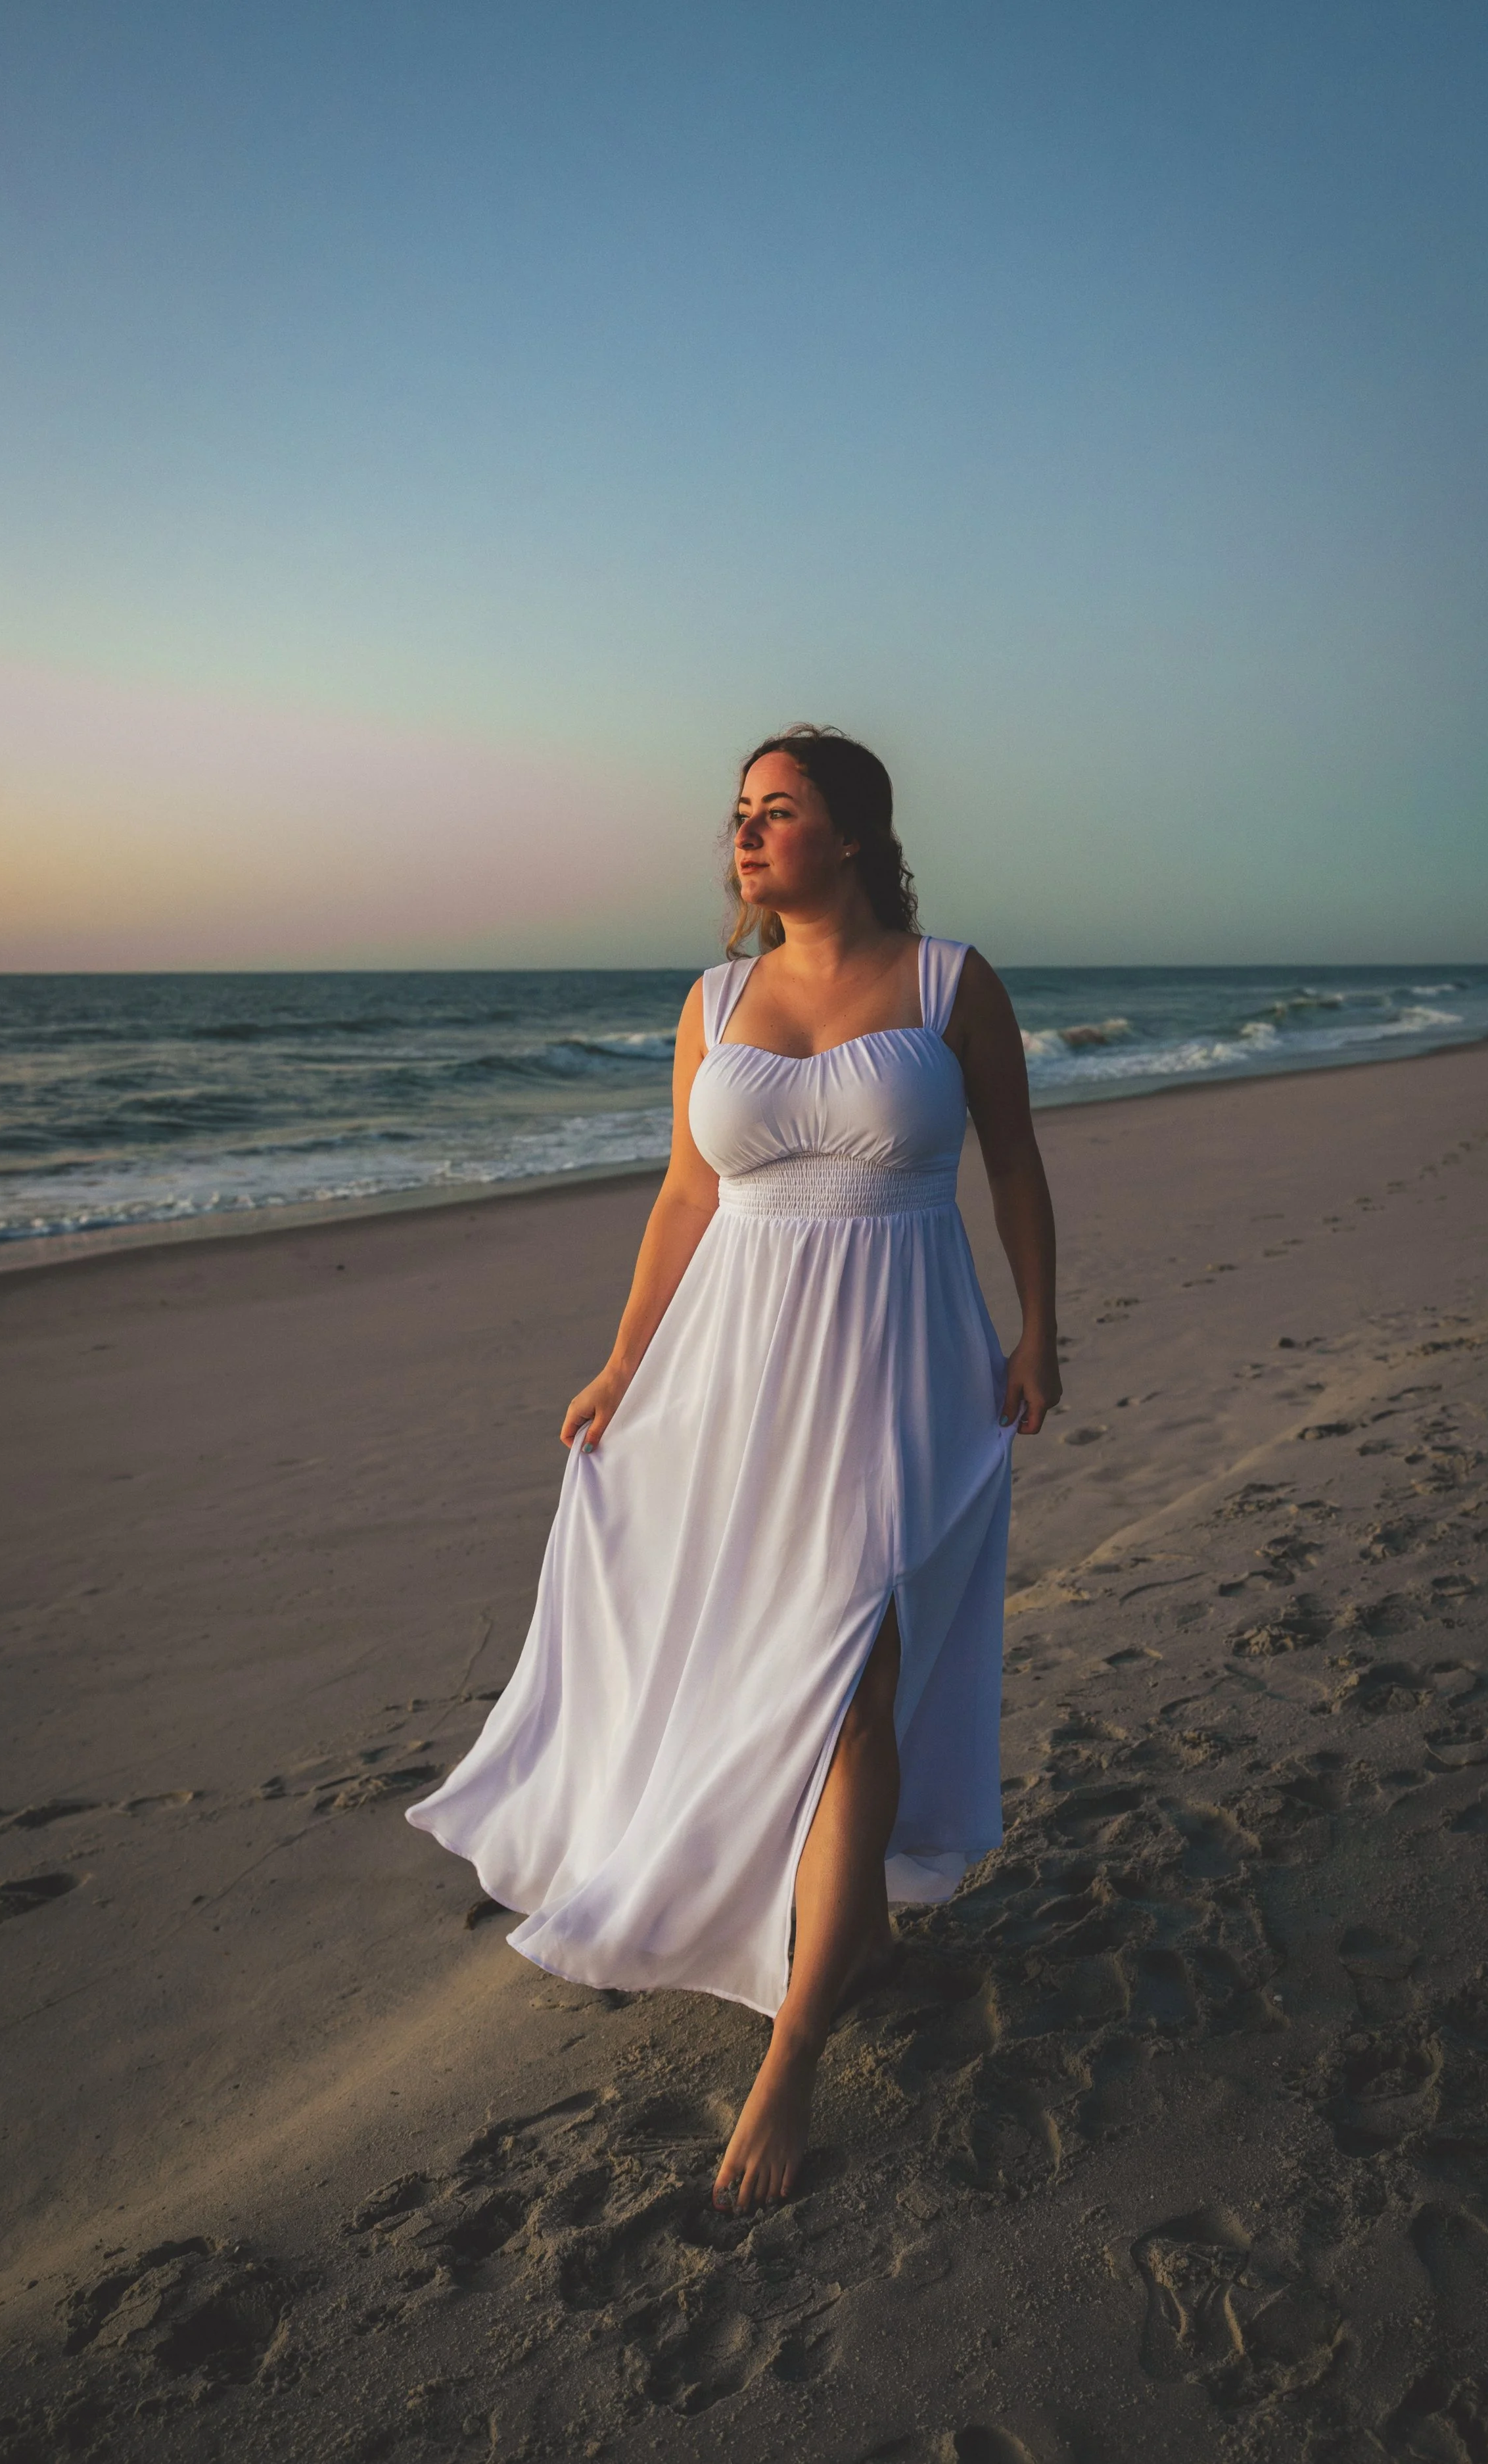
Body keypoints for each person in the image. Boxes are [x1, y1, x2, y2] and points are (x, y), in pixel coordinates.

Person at [407, 726, 1061, 2214]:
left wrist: (1039, 1330)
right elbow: (685, 1196)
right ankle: (857, 1934)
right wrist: (622, 1363)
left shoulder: (953, 982)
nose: (747, 833)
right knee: (776, 1665)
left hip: (898, 1366)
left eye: (779, 810)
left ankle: (792, 2055)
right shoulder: (712, 998)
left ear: (853, 832)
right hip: (730, 1381)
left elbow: (1013, 1164)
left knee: (852, 1673)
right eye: (741, 813)